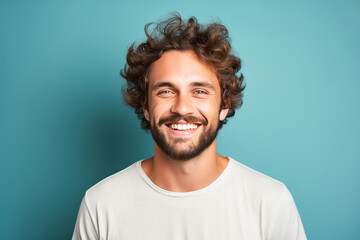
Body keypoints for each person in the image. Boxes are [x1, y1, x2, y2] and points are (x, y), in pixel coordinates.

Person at [72, 13, 307, 240]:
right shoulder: (100, 205)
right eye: (166, 91)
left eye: (199, 91)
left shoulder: (271, 203)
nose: (182, 108)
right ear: (145, 106)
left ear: (224, 104)